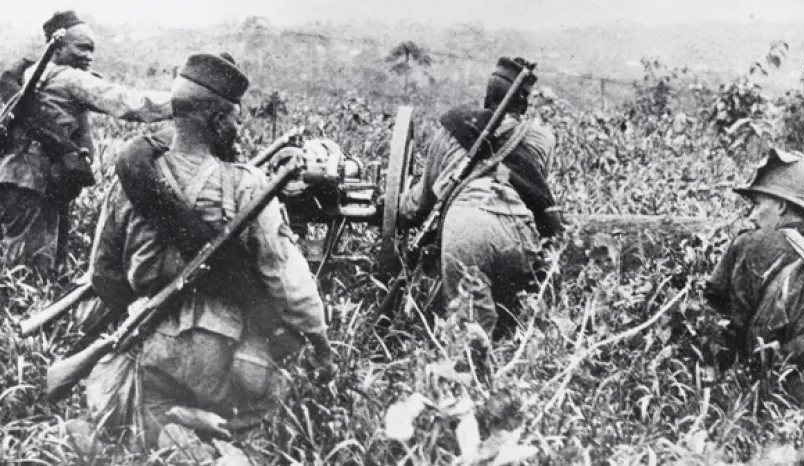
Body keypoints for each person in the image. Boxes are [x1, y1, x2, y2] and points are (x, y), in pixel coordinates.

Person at [82, 53, 335, 455]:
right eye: (234, 118)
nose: (238, 128)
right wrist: (320, 346)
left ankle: (173, 433)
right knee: (251, 441)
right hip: (229, 357)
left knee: (148, 439)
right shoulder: (249, 184)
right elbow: (288, 282)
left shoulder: (128, 185)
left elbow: (104, 274)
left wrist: (141, 314)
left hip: (153, 349)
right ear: (217, 120)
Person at [398, 57, 564, 366]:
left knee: (469, 342)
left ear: (487, 97)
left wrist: (392, 206)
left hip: (464, 232)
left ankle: (472, 382)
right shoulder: (542, 139)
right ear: (523, 104)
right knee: (517, 328)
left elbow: (418, 206)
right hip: (517, 233)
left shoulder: (451, 129)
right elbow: (537, 195)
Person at [0, 10, 172, 272]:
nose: (89, 57)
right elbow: (127, 102)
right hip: (36, 179)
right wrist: (183, 101)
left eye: (92, 50)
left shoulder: (31, 75)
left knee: (22, 260)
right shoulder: (69, 78)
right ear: (57, 49)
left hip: (16, 177)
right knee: (34, 266)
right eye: (82, 48)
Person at [705, 148, 804, 406]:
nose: (751, 215)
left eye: (757, 204)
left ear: (782, 205)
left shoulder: (750, 244)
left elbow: (727, 320)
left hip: (801, 377)